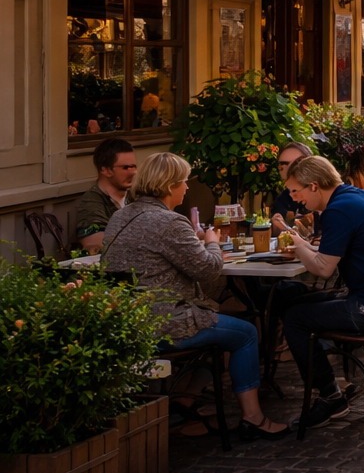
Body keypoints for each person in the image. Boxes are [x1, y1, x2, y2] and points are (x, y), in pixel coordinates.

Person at [103, 152, 289, 440]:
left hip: (129, 320)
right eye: (184, 182)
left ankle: (186, 400)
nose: (187, 188)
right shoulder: (169, 222)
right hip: (164, 322)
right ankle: (253, 418)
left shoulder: (120, 216)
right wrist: (212, 242)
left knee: (223, 324)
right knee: (246, 333)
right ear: (168, 186)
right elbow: (208, 269)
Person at [281, 156, 364, 429]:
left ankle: (331, 396)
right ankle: (330, 379)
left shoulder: (338, 210)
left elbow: (323, 269)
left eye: (296, 191)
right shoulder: (357, 197)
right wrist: (305, 247)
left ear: (314, 186)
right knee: (295, 299)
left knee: (295, 317)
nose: (294, 199)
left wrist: (297, 245)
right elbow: (331, 253)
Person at [72, 138, 136, 254]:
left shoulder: (135, 196)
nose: (133, 172)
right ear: (106, 170)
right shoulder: (92, 202)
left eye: (133, 166)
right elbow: (96, 244)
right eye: (125, 168)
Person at [271, 142, 314, 232]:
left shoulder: (325, 197)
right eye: (285, 164)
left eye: (296, 163)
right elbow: (276, 225)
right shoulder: (286, 195)